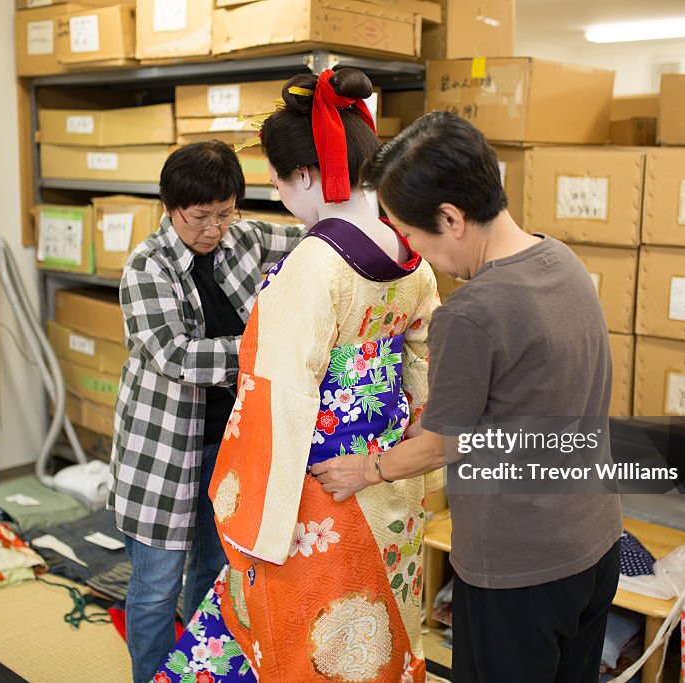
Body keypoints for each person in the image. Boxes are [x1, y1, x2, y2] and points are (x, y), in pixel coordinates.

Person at [312, 112, 624, 682]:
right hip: (595, 545)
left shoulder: (470, 313)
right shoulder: (562, 261)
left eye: (411, 233)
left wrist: (367, 469)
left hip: (518, 569)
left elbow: (440, 446)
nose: (411, 249)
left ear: (451, 218)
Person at [153, 68, 440, 683]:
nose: (283, 196)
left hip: (311, 485)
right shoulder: (409, 252)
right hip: (386, 476)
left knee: (300, 633)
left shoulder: (314, 266)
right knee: (378, 623)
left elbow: (278, 395)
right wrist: (404, 446)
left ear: (305, 175)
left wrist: (260, 513)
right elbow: (423, 365)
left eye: (282, 181)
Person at [108, 140, 306, 683]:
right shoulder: (146, 269)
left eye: (225, 213)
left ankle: (194, 674)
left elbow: (317, 241)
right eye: (200, 218)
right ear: (171, 207)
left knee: (215, 571)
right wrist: (263, 346)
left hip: (231, 444)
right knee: (155, 586)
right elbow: (174, 356)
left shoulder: (246, 239)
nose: (214, 229)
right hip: (163, 451)